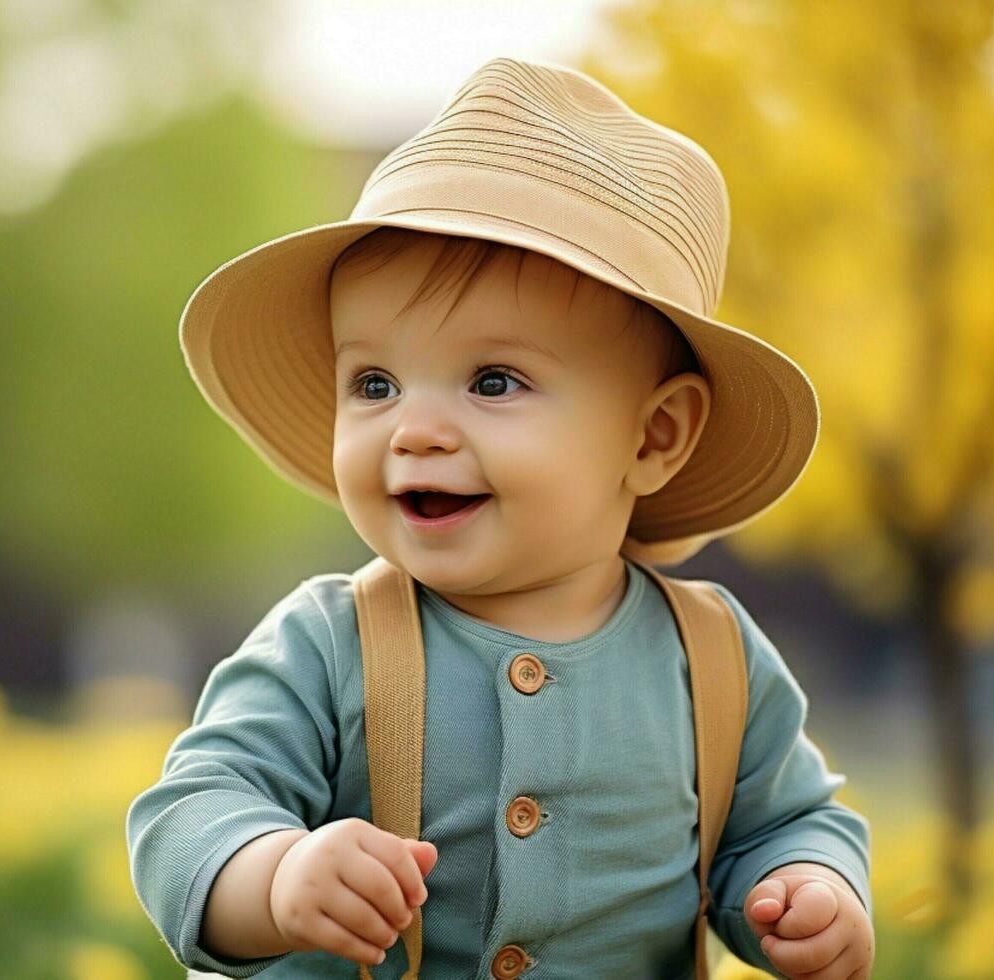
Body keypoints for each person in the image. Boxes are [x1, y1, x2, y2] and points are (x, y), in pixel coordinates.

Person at [127, 55, 874, 979]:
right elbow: (189, 812)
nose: (414, 430)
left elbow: (784, 818)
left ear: (655, 435)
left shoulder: (711, 661)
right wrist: (275, 875)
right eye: (374, 383)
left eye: (492, 381)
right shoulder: (327, 645)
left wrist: (806, 887)